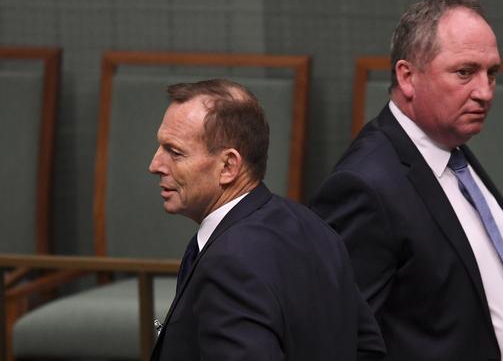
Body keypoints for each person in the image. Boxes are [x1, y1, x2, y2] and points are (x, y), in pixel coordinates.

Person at [310, 0, 503, 360]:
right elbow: (339, 337)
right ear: (407, 77)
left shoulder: (452, 151)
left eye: (491, 73)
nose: (485, 92)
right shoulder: (365, 184)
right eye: (464, 72)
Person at [148, 78, 385, 360]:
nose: (155, 165)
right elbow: (369, 349)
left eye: (174, 152)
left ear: (228, 166)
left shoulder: (228, 264)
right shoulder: (314, 228)